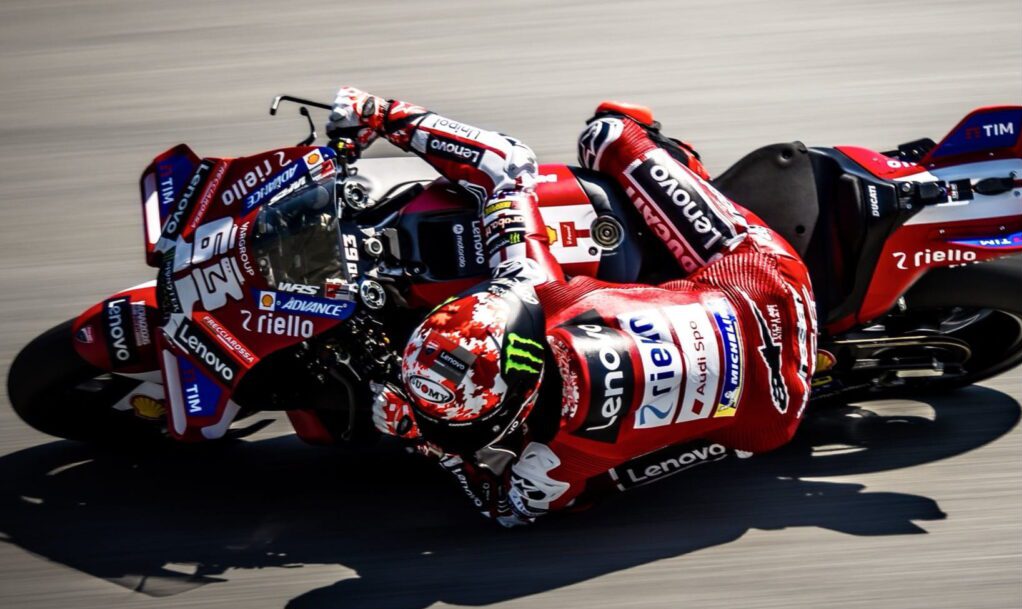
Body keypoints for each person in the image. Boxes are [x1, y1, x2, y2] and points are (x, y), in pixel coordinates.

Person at [327, 86, 817, 527]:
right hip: (765, 286)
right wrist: (379, 113)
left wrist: (425, 441)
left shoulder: (553, 458)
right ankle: (680, 169)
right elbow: (507, 162)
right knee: (607, 134)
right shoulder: (533, 288)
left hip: (771, 416)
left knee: (607, 476)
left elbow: (507, 509)